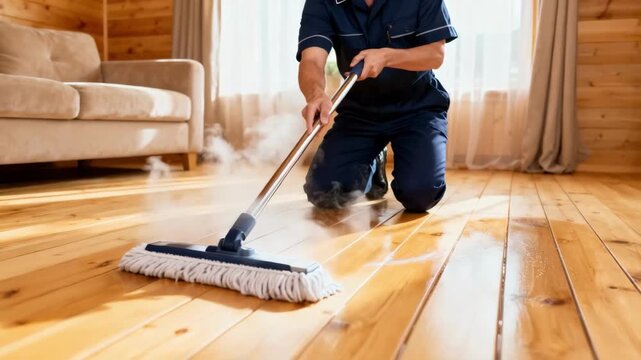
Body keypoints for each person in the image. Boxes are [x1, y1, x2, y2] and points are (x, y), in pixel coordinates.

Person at [297, 0, 457, 212]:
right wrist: (315, 94)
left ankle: (402, 170)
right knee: (323, 192)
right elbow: (312, 59)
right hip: (359, 113)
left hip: (417, 108)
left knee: (420, 194)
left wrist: (386, 56)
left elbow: (435, 54)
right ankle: (373, 167)